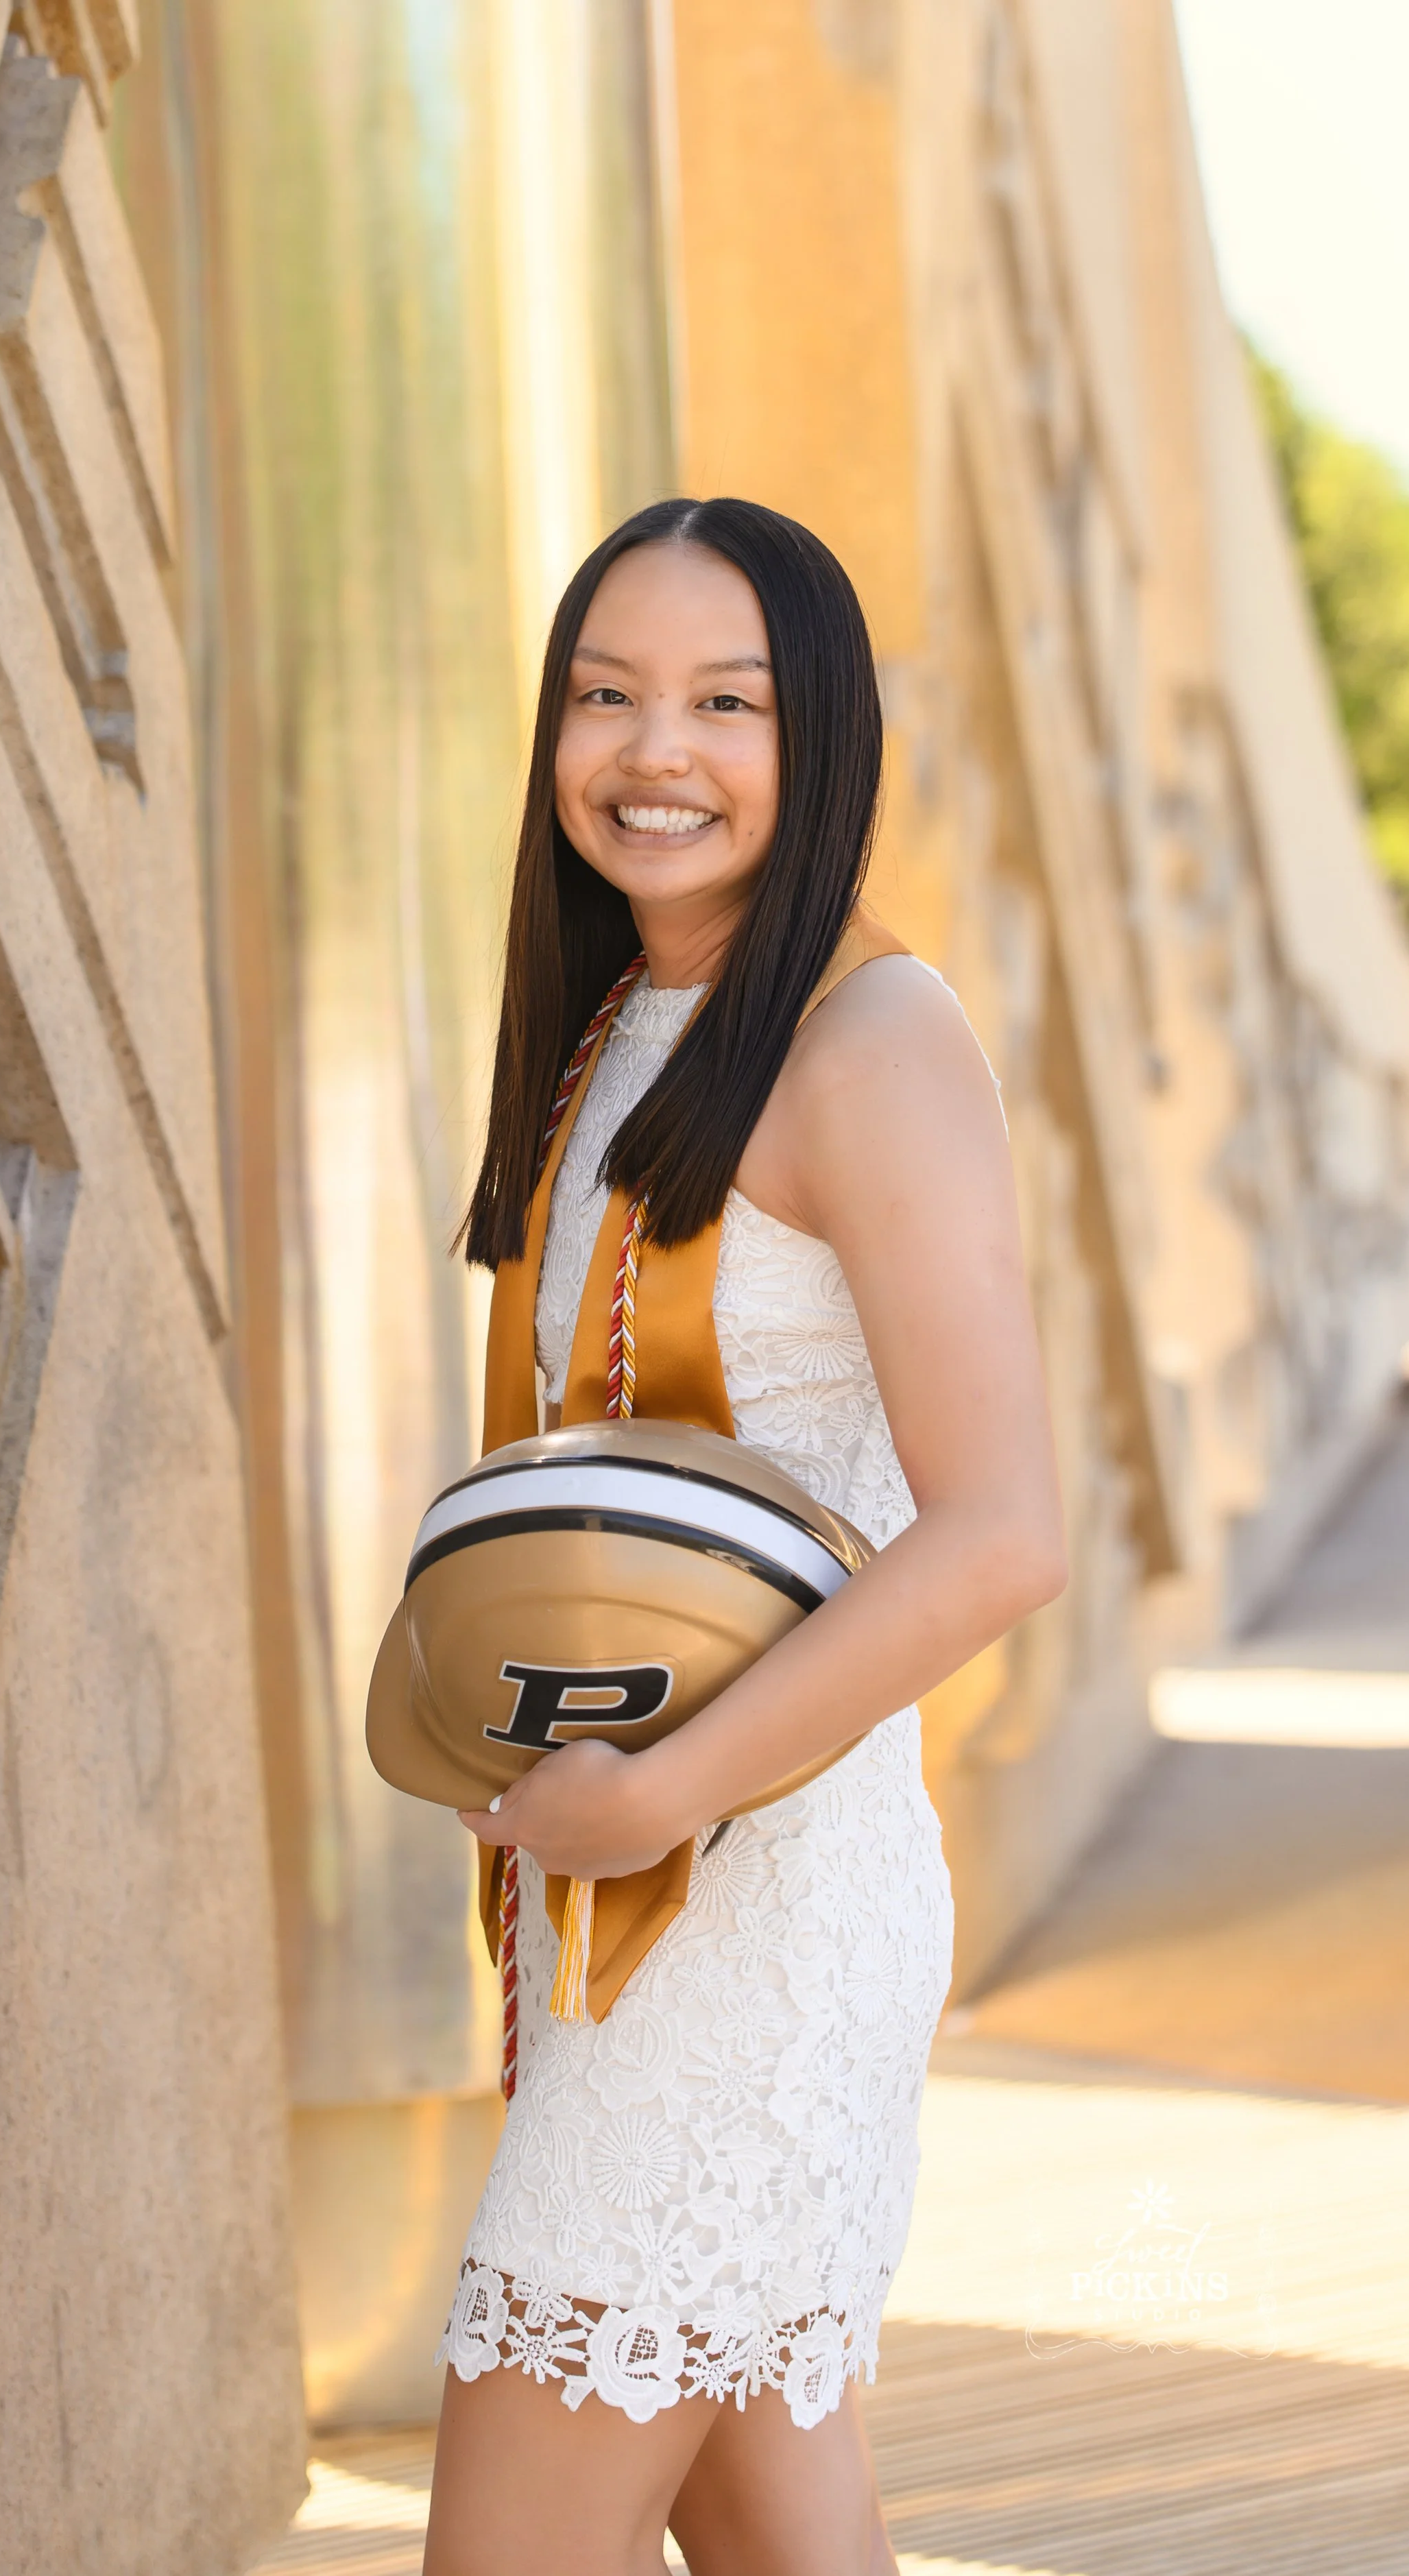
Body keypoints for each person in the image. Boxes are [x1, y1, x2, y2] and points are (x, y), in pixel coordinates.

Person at [423, 497, 1065, 2576]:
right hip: (618, 1890)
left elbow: (996, 1534)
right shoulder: (616, 1022)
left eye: (726, 700)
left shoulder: (874, 1040)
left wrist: (666, 1791)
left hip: (754, 1910)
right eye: (604, 695)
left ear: (827, 742)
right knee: (787, 2534)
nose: (652, 749)